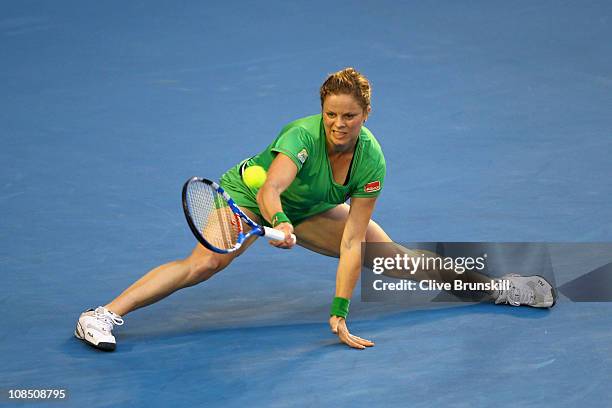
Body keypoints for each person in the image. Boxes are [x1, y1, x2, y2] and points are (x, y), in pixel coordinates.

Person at [75, 68, 556, 351]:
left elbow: (351, 240)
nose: (339, 124)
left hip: (306, 212)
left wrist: (340, 311)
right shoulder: (301, 136)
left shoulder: (372, 160)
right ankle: (101, 315)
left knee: (389, 255)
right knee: (205, 262)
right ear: (320, 111)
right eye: (331, 114)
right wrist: (279, 222)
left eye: (350, 116)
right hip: (250, 198)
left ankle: (496, 288)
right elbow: (271, 192)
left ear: (366, 115)